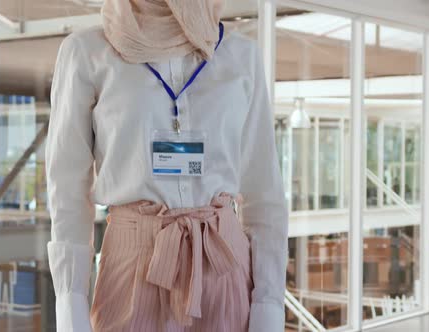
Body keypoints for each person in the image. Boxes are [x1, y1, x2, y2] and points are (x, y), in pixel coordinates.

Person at [45, 0, 289, 331]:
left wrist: (268, 303)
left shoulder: (241, 55)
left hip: (222, 262)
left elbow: (264, 191)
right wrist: (71, 304)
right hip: (132, 265)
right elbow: (67, 188)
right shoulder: (87, 51)